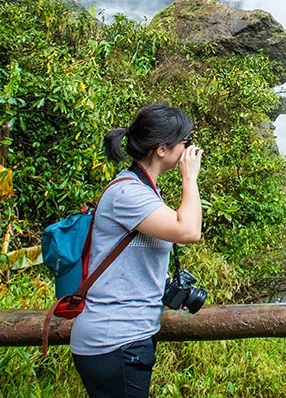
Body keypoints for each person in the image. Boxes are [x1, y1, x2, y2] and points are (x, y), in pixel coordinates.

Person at [70, 103, 204, 398]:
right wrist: (190, 178)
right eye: (185, 142)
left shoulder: (143, 190)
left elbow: (132, 258)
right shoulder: (127, 193)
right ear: (162, 149)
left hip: (125, 337)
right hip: (115, 339)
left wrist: (165, 285)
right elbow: (189, 230)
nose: (188, 150)